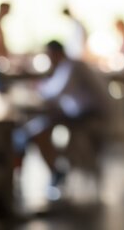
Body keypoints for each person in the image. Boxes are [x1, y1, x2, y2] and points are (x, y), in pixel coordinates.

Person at [14, 40, 112, 191]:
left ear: (56, 53)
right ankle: (54, 171)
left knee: (40, 131)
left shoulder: (72, 66)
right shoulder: (68, 66)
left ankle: (55, 172)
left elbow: (55, 93)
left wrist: (37, 89)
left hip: (90, 115)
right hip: (79, 113)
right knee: (38, 128)